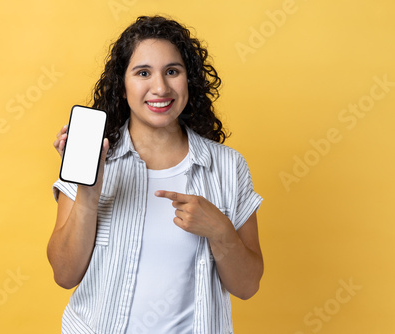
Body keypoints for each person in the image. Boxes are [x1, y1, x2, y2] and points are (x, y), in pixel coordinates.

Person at [47, 15, 263, 334]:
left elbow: (247, 286)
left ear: (189, 80)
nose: (160, 87)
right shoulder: (92, 159)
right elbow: (64, 275)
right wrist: (88, 195)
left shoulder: (228, 167)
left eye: (172, 71)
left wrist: (220, 230)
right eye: (143, 72)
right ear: (122, 86)